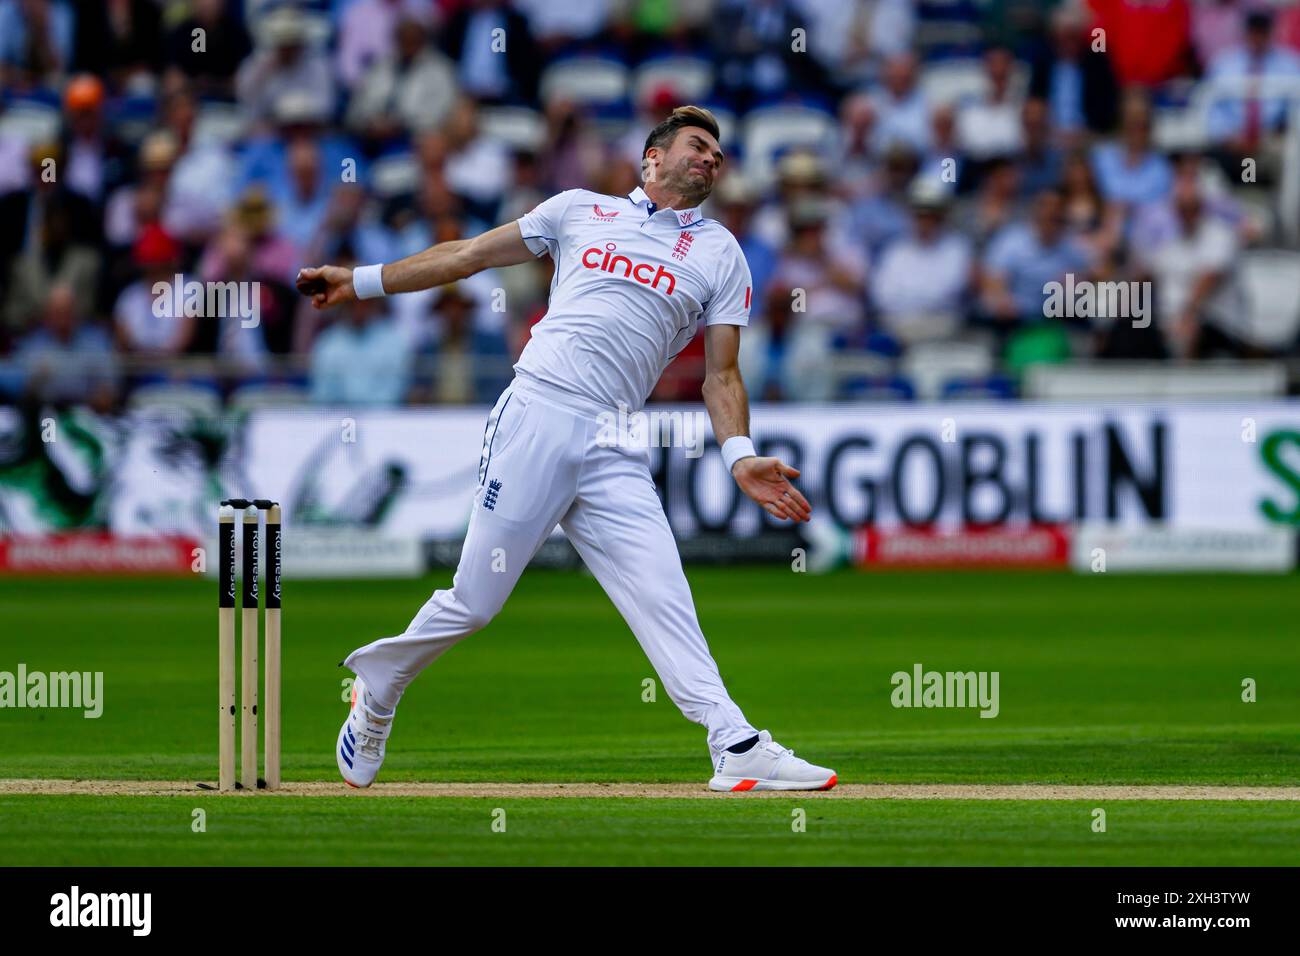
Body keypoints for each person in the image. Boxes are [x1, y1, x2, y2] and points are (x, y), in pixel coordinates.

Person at [299, 105, 836, 793]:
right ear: (651, 160)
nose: (711, 160)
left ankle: (733, 743)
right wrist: (361, 279)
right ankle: (376, 691)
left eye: (718, 156)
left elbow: (721, 374)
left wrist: (739, 455)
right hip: (539, 411)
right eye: (697, 147)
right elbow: (466, 256)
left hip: (614, 437)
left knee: (663, 594)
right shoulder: (579, 210)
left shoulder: (719, 252)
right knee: (475, 603)